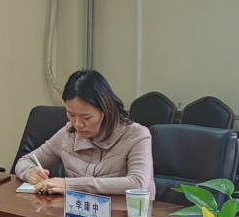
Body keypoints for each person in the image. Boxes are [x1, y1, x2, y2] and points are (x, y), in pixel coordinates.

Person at [14, 70, 155, 197]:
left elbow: (137, 183)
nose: (77, 124)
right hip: (77, 213)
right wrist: (30, 172)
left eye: (86, 117)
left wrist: (70, 185)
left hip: (125, 214)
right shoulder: (68, 134)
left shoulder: (136, 135)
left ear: (105, 110)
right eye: (71, 115)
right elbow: (24, 161)